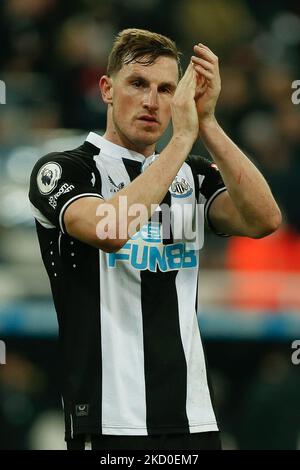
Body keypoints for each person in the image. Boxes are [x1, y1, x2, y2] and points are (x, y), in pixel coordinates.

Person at [29, 28, 281, 451]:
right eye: (138, 85)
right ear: (107, 89)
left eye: (166, 89)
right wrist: (181, 139)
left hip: (193, 415)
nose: (152, 101)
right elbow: (109, 230)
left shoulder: (192, 175)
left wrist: (207, 124)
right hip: (109, 417)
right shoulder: (64, 170)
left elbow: (264, 219)